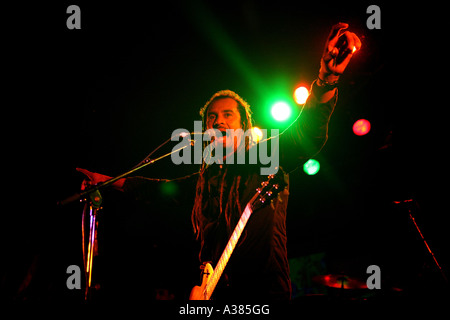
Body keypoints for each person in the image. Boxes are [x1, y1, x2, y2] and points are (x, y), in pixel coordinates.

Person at [77, 23, 361, 300]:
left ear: (244, 126)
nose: (218, 121)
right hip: (213, 289)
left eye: (227, 115)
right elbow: (158, 191)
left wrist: (326, 78)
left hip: (261, 290)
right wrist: (108, 181)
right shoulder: (206, 177)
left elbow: (306, 134)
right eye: (212, 117)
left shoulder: (264, 158)